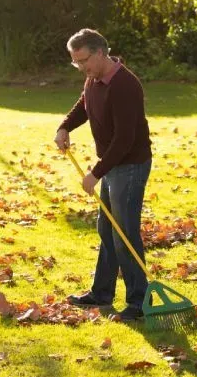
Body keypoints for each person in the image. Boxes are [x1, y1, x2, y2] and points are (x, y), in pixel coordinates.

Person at [55, 28, 152, 322]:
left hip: (131, 166)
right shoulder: (94, 79)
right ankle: (102, 293)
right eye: (75, 62)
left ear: (100, 53)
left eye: (83, 60)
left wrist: (96, 173)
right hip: (113, 166)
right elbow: (84, 105)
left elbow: (124, 139)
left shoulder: (125, 85)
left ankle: (138, 303)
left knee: (124, 233)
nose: (80, 67)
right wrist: (64, 127)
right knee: (107, 229)